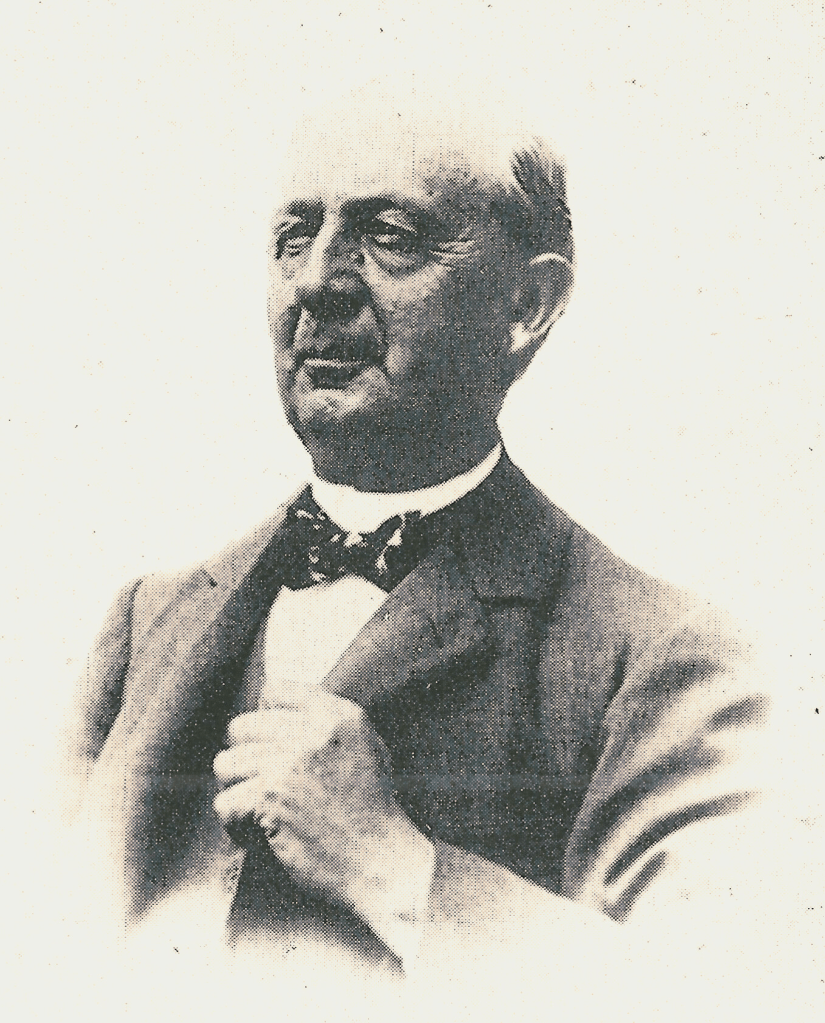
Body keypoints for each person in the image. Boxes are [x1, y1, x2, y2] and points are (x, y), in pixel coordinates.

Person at [60, 83, 772, 986]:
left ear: (527, 304)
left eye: (389, 234)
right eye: (293, 237)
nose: (316, 282)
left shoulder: (662, 660)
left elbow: (716, 991)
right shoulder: (143, 625)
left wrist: (400, 871)